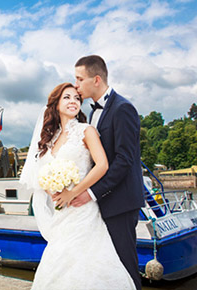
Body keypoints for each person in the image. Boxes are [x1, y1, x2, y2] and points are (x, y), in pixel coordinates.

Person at [20, 82, 136, 289]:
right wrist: (52, 190)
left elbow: (102, 165)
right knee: (58, 263)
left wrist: (73, 192)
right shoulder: (50, 139)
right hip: (61, 213)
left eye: (76, 98)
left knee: (86, 263)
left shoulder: (86, 130)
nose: (73, 101)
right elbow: (40, 174)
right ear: (55, 104)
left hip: (83, 209)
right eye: (67, 97)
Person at [60, 55, 144, 290]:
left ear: (96, 79)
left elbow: (124, 161)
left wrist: (91, 193)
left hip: (121, 203)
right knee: (106, 269)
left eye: (79, 79)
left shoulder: (123, 108)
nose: (76, 85)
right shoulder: (88, 115)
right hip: (100, 204)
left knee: (125, 267)